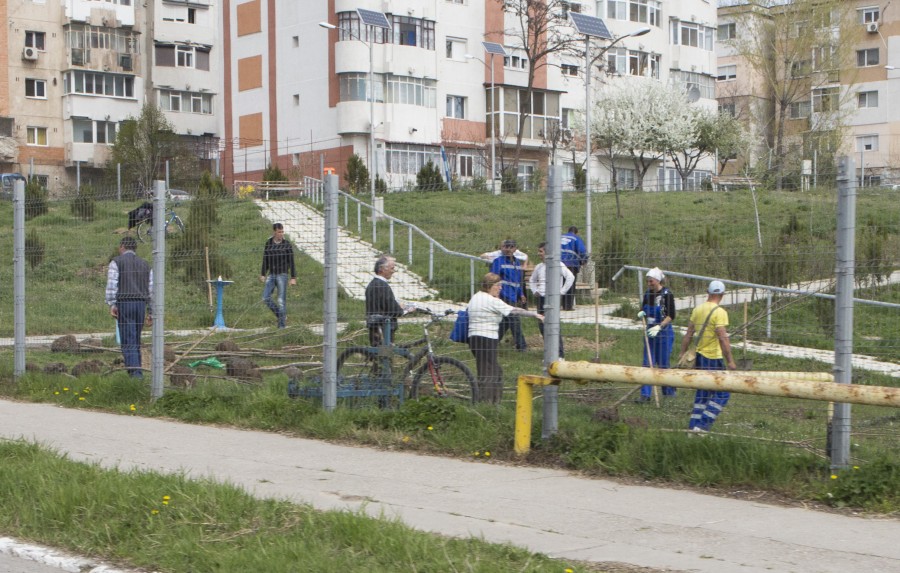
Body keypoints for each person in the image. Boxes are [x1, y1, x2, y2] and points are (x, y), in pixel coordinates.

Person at [467, 273, 543, 403]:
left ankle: (494, 400)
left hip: (474, 338)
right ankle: (486, 401)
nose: (501, 288)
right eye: (498, 285)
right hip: (486, 338)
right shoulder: (492, 301)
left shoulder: (476, 297)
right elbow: (514, 310)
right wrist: (534, 314)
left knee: (494, 370)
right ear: (490, 286)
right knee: (488, 372)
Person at [677, 280, 737, 433]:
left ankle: (693, 427)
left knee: (702, 394)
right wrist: (730, 360)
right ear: (722, 295)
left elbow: (689, 334)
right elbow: (723, 338)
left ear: (708, 293)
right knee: (723, 392)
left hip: (699, 357)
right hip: (713, 358)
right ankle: (703, 426)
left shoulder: (698, 310)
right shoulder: (720, 312)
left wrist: (682, 353)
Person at [105, 236, 153, 379]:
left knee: (127, 340)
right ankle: (137, 370)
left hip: (125, 303)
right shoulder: (145, 264)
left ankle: (135, 374)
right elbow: (152, 289)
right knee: (136, 339)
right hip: (140, 304)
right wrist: (151, 310)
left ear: (122, 247)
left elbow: (112, 285)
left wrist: (112, 303)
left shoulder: (117, 262)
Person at [636, 267, 677, 402]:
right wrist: (642, 314)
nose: (649, 284)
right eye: (647, 281)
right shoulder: (648, 294)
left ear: (658, 281)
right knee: (647, 363)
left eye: (651, 281)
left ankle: (668, 393)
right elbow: (644, 309)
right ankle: (645, 395)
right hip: (650, 333)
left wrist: (660, 326)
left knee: (663, 364)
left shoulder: (667, 294)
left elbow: (671, 315)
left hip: (664, 333)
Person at [528, 242, 574, 358]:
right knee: (542, 325)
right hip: (541, 299)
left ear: (547, 252)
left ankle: (560, 354)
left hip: (552, 300)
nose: (539, 254)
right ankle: (549, 351)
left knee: (553, 325)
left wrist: (561, 292)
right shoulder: (539, 267)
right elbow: (532, 280)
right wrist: (534, 291)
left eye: (541, 251)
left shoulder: (557, 264)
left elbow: (570, 277)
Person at [365, 255, 414, 346]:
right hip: (384, 328)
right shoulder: (383, 286)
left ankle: (372, 359)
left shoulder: (372, 284)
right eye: (392, 268)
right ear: (382, 269)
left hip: (375, 326)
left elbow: (383, 304)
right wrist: (406, 310)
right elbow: (393, 310)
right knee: (385, 356)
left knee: (378, 354)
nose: (393, 271)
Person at [490, 239, 528, 351]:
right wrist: (496, 295)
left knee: (505, 322)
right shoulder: (498, 261)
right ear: (502, 248)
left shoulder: (516, 263)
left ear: (515, 249)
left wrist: (521, 294)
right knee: (515, 320)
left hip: (513, 295)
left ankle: (493, 343)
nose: (508, 249)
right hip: (503, 295)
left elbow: (518, 281)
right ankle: (522, 346)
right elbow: (494, 279)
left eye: (511, 247)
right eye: (506, 247)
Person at [259, 223, 297, 329]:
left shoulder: (287, 244)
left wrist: (293, 277)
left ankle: (281, 327)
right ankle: (281, 316)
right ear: (274, 232)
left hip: (282, 275)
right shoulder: (269, 243)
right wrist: (262, 274)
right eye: (279, 232)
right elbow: (265, 260)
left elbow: (291, 262)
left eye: (282, 232)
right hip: (271, 274)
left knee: (281, 301)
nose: (281, 234)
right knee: (265, 297)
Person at [560, 226, 587, 311]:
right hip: (571, 263)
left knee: (561, 284)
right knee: (570, 284)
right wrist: (584, 260)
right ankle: (568, 306)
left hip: (558, 263)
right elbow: (582, 250)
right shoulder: (575, 238)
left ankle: (560, 304)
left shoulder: (560, 237)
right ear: (576, 232)